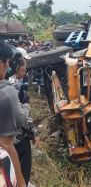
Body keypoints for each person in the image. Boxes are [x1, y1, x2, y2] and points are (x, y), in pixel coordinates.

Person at [0, 41, 27, 187]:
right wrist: (21, 182)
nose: (8, 67)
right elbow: (7, 143)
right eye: (7, 62)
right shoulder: (7, 93)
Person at [9, 58, 39, 186]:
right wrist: (33, 133)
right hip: (18, 139)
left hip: (8, 138)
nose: (25, 71)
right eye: (23, 68)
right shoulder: (13, 87)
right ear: (16, 67)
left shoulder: (8, 84)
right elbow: (22, 117)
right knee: (23, 171)